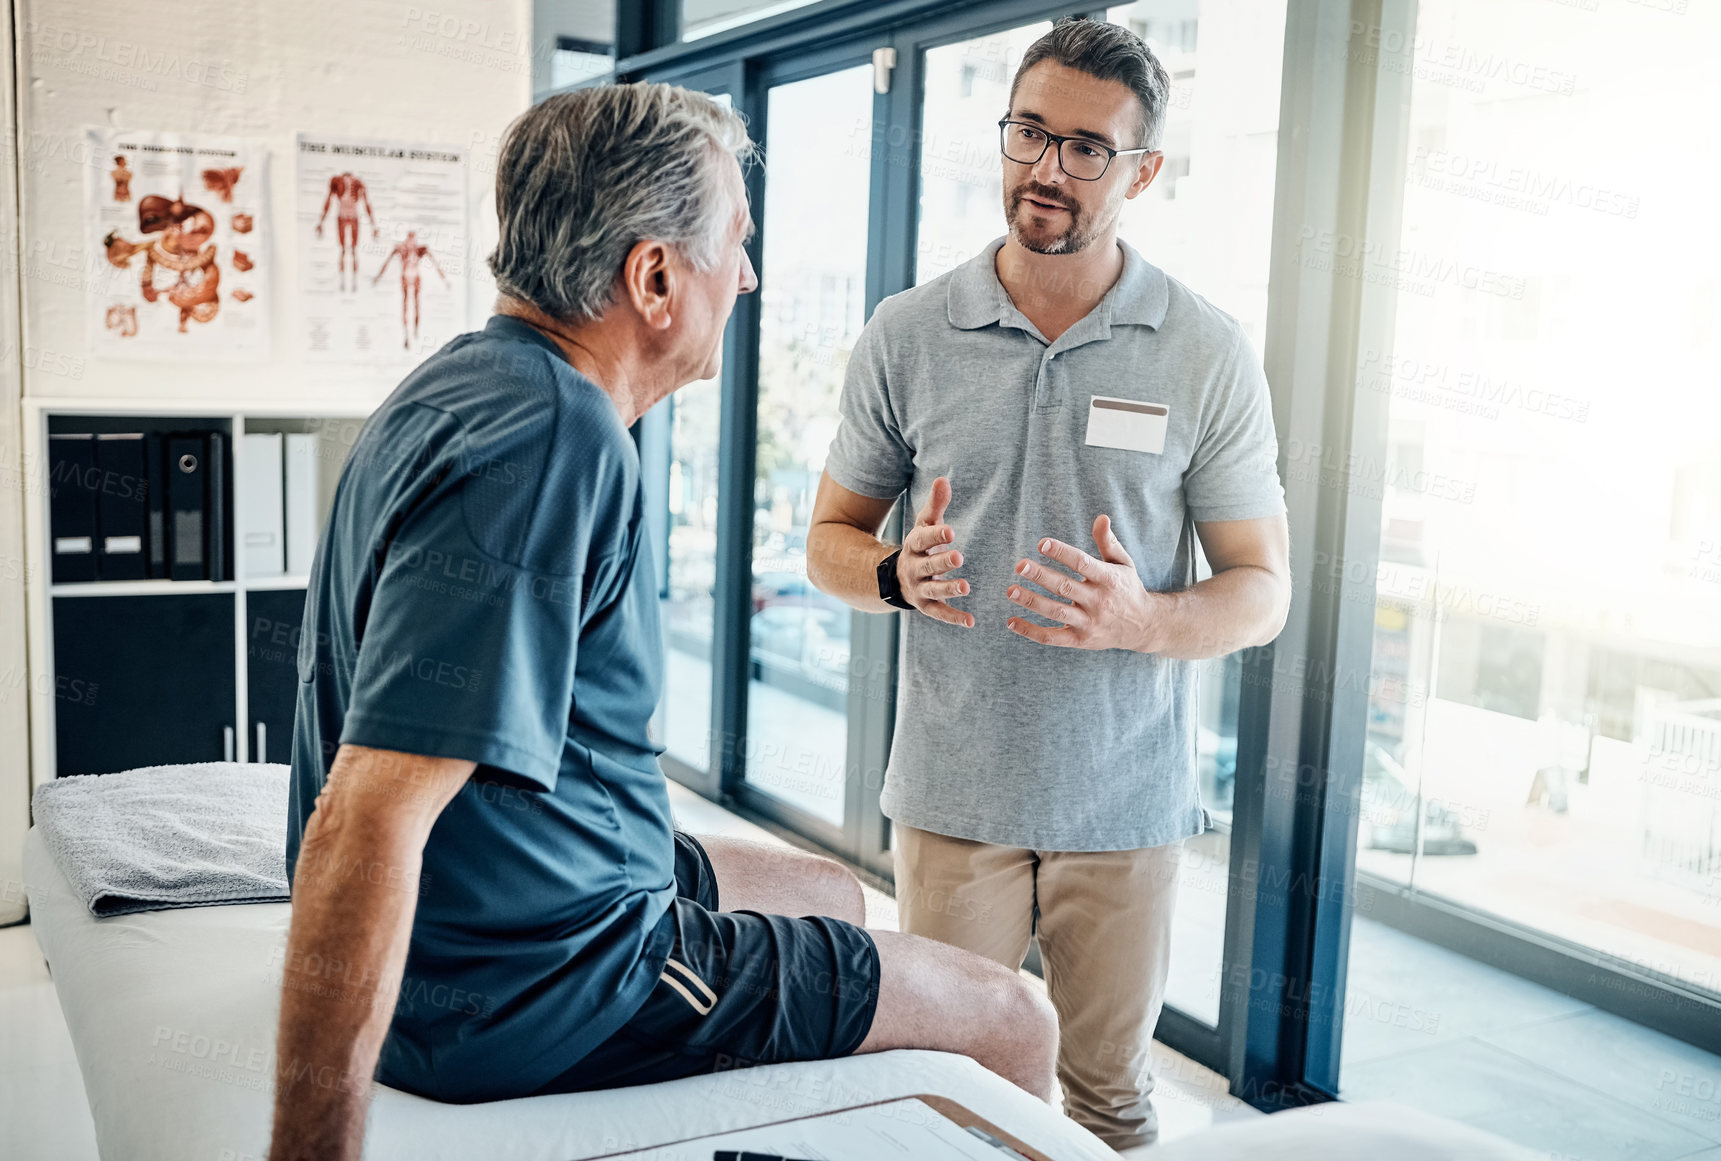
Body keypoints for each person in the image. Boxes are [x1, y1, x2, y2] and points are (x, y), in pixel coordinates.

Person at [268, 83, 1056, 1161]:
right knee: (1013, 1016)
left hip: (524, 898)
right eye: (734, 242)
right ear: (651, 278)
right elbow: (368, 813)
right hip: (543, 986)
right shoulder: (554, 440)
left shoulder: (462, 382)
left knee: (830, 889)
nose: (748, 274)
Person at [806, 18, 1291, 1150]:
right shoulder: (908, 333)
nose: (1044, 169)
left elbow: (1260, 588)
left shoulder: (1202, 351)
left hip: (1120, 809)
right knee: (942, 1090)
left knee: (1108, 1099)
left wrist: (1144, 617)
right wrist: (887, 573)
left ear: (1142, 171)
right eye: (1028, 132)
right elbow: (827, 538)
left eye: (1085, 148)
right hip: (951, 794)